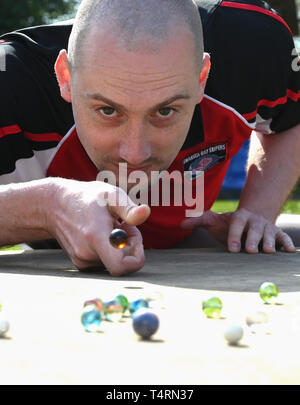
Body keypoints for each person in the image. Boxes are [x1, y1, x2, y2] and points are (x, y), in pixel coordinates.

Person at [0, 0, 299, 276]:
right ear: (65, 77)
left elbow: (293, 118)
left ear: (201, 78)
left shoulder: (251, 47)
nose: (135, 153)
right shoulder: (10, 83)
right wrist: (45, 206)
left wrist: (258, 211)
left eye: (165, 111)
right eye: (107, 110)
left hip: (190, 241)